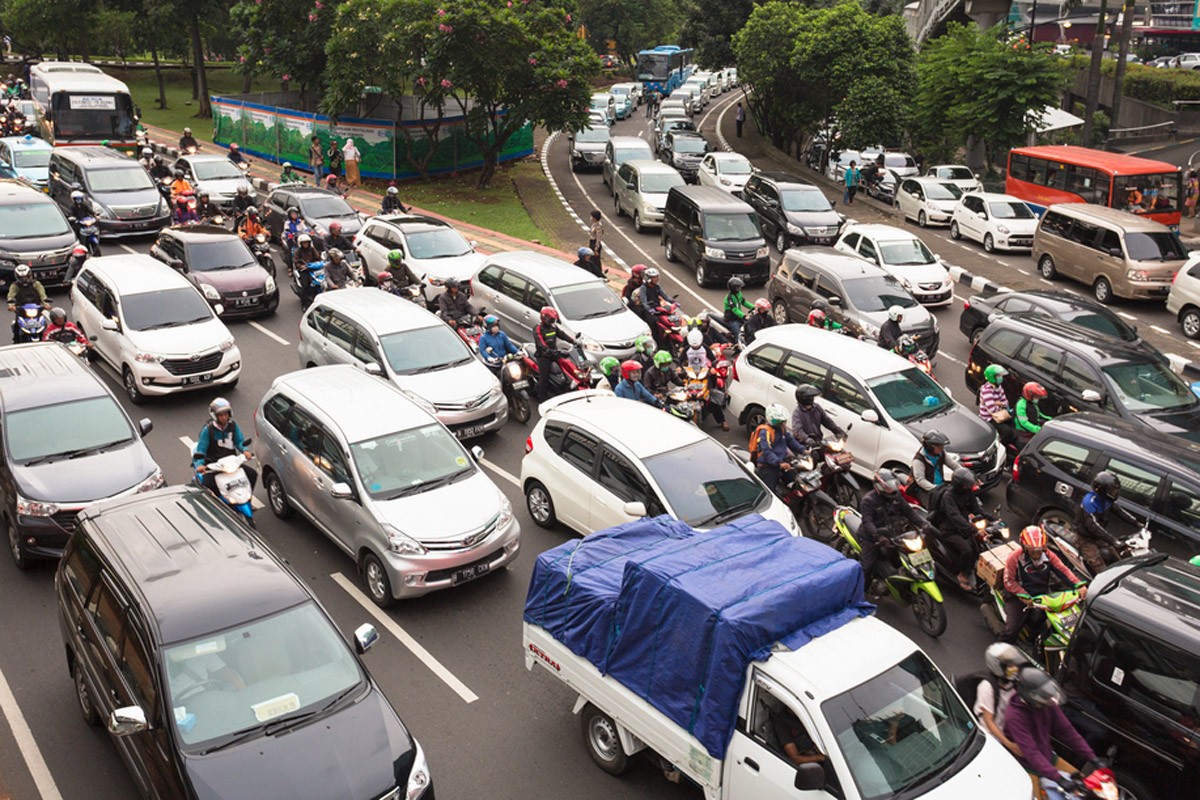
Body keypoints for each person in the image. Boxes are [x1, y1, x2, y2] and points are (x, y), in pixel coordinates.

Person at [1004, 667, 1098, 799]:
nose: (1048, 703)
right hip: (1027, 766)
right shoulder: (1015, 716)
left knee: (1085, 789)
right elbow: (1032, 753)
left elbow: (1067, 731)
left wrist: (1092, 758)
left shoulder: (1046, 703)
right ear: (1031, 697)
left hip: (1048, 758)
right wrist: (1058, 779)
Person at [1000, 525, 1087, 643]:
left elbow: (1063, 571)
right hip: (1018, 596)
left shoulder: (1049, 555)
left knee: (1046, 619)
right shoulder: (1014, 558)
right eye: (1032, 549)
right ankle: (1001, 650)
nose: (1037, 553)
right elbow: (1008, 581)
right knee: (1011, 630)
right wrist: (1023, 595)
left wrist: (1079, 585)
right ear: (1024, 546)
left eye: (1039, 549)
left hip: (1041, 594)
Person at [858, 468, 933, 590]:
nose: (891, 490)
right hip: (872, 537)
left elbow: (908, 511)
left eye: (893, 487)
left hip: (893, 534)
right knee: (868, 566)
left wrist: (923, 524)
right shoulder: (868, 501)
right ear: (878, 486)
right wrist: (878, 536)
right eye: (888, 488)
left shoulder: (896, 496)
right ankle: (861, 590)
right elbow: (868, 522)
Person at [931, 467, 986, 592]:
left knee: (978, 549)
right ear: (960, 485)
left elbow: (976, 508)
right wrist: (972, 529)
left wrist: (990, 517)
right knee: (966, 551)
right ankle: (963, 574)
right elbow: (954, 517)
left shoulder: (968, 493)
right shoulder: (948, 497)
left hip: (964, 527)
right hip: (950, 530)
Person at [1075, 470, 1138, 575]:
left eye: (1116, 490)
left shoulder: (1107, 500)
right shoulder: (1089, 502)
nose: (1115, 493)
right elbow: (1093, 526)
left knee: (1117, 556)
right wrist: (1113, 540)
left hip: (1098, 537)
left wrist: (1136, 523)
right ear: (1102, 490)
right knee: (1100, 568)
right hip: (1085, 539)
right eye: (1112, 490)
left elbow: (1120, 511)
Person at [192, 397, 258, 496]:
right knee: (208, 485)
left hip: (232, 463)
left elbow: (239, 441)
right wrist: (200, 465)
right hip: (214, 466)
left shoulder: (233, 426)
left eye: (226, 414)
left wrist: (245, 451)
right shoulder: (208, 431)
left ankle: (248, 498)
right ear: (215, 416)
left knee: (252, 474)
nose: (224, 417)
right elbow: (201, 450)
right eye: (221, 415)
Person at [975, 643, 1028, 758]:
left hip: (1007, 729)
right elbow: (989, 722)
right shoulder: (986, 687)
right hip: (991, 736)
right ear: (997, 667)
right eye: (1009, 665)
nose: (1015, 668)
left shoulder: (1012, 683)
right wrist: (1009, 744)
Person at [752, 403, 806, 493]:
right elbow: (767, 451)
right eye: (782, 421)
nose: (785, 423)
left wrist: (804, 450)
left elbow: (791, 441)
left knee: (796, 482)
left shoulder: (782, 429)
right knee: (769, 492)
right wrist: (779, 463)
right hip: (769, 465)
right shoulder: (765, 432)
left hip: (783, 461)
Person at [909, 429, 959, 505]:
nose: (941, 448)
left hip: (941, 485)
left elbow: (954, 465)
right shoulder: (919, 460)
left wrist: (968, 475)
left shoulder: (941, 453)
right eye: (939, 446)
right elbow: (920, 480)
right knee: (935, 510)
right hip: (925, 490)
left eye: (942, 446)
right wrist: (935, 488)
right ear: (929, 447)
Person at [534, 306, 573, 401]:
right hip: (543, 355)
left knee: (569, 365)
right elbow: (541, 343)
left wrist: (574, 341)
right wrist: (548, 350)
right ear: (544, 317)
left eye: (553, 319)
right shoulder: (538, 328)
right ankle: (542, 398)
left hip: (554, 353)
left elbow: (563, 335)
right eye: (551, 319)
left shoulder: (553, 327)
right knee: (544, 377)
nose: (552, 321)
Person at [977, 364, 1014, 447]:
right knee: (1007, 432)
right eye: (998, 376)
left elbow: (1005, 402)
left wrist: (998, 403)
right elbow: (992, 410)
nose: (1001, 377)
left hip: (999, 413)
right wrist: (1000, 405)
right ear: (992, 377)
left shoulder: (999, 387)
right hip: (989, 417)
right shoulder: (987, 390)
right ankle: (999, 448)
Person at [723, 277, 752, 342]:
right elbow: (734, 309)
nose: (740, 288)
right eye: (738, 287)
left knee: (749, 326)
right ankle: (738, 346)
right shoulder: (729, 298)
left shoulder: (739, 293)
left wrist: (754, 307)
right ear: (733, 288)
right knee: (738, 335)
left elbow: (744, 302)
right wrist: (744, 316)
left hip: (738, 317)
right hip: (732, 319)